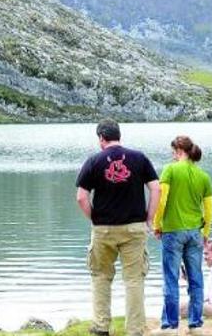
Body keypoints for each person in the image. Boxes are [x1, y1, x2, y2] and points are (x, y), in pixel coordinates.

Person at [75, 119, 160, 336]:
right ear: (119, 135)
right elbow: (155, 188)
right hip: (134, 227)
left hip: (103, 228)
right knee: (134, 279)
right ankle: (134, 330)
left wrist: (94, 218)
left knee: (101, 277)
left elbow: (81, 198)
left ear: (101, 138)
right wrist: (149, 219)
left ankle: (101, 326)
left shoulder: (94, 161)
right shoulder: (139, 158)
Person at [152, 135, 212, 336]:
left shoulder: (170, 170)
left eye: (173, 152)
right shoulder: (203, 175)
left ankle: (170, 326)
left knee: (171, 278)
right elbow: (209, 208)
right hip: (195, 232)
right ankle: (195, 324)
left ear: (179, 151)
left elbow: (162, 200)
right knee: (196, 278)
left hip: (173, 231)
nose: (172, 156)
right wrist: (205, 232)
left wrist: (157, 224)